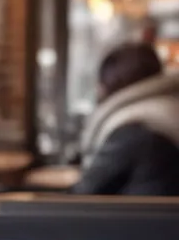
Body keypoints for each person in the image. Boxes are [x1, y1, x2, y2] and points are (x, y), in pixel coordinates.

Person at [72, 42, 179, 196]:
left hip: (144, 219)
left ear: (109, 83)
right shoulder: (165, 111)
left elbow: (85, 193)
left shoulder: (135, 128)